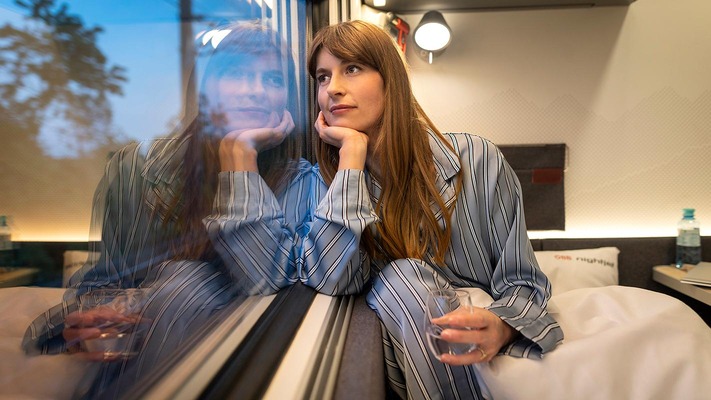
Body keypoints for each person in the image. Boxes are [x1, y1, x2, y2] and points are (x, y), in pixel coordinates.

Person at [20, 20, 331, 397]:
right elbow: (102, 284)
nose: (255, 91)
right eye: (236, 74)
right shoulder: (138, 169)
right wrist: (83, 321)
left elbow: (273, 288)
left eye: (273, 80)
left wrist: (242, 155)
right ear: (205, 89)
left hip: (258, 363)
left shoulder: (303, 180)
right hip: (150, 362)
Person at [308, 20, 564, 399]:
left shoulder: (477, 159)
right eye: (322, 77)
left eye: (353, 68)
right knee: (403, 276)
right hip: (408, 359)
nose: (334, 88)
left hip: (494, 345)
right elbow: (332, 282)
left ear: (389, 79)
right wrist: (351, 159)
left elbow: (523, 282)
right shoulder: (329, 184)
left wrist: (502, 325)